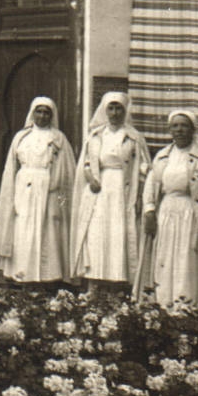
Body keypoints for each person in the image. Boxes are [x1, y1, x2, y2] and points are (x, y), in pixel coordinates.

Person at [137, 109, 198, 309]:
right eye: (175, 126)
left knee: (186, 258)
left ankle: (188, 305)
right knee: (165, 257)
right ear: (169, 130)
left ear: (192, 129)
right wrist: (149, 210)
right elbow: (151, 184)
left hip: (190, 214)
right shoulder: (162, 157)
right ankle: (164, 302)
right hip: (166, 212)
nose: (179, 130)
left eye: (184, 126)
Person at [69, 91, 151, 291]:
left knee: (119, 233)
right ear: (105, 111)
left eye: (119, 109)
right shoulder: (96, 136)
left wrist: (140, 195)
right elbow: (86, 164)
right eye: (111, 109)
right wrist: (91, 179)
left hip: (123, 191)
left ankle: (118, 284)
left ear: (125, 111)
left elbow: (143, 169)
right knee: (97, 233)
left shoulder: (134, 138)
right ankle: (95, 283)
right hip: (100, 190)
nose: (114, 113)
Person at [0, 96, 75, 286]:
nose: (42, 116)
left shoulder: (58, 139)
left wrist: (58, 195)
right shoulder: (21, 137)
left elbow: (68, 172)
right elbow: (11, 168)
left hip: (49, 189)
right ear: (32, 113)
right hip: (24, 189)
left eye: (46, 112)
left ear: (51, 115)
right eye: (39, 111)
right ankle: (21, 275)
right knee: (23, 228)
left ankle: (48, 277)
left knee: (48, 230)